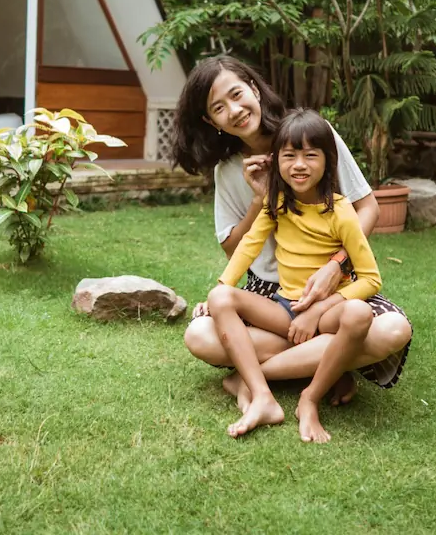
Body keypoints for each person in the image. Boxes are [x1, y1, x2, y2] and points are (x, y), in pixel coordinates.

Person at [174, 56, 412, 426]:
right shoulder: (228, 170)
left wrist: (336, 265)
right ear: (209, 121)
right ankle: (329, 362)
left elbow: (368, 208)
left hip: (332, 287)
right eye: (218, 108)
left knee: (392, 329)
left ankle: (252, 377)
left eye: (237, 94)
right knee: (200, 337)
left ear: (254, 87)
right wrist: (259, 200)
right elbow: (236, 249)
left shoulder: (314, 135)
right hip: (270, 293)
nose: (234, 111)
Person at [207, 108, 382, 442]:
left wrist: (316, 310)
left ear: (328, 161)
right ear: (276, 161)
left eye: (310, 156)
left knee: (360, 314)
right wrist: (222, 286)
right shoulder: (277, 204)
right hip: (285, 307)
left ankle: (310, 397)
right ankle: (262, 396)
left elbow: (371, 279)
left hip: (328, 310)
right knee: (220, 298)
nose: (299, 165)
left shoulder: (342, 212)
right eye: (289, 156)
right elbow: (246, 248)